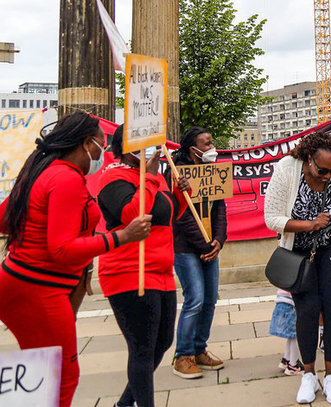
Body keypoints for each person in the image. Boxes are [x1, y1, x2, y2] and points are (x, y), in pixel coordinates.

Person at [0, 112, 151, 407]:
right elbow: (62, 250)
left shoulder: (41, 168)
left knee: (39, 375)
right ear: (86, 144)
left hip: (20, 284)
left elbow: (5, 220)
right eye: (101, 146)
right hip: (39, 291)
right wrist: (122, 236)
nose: (102, 154)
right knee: (62, 378)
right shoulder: (66, 178)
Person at [263, 130, 331, 405]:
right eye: (323, 170)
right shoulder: (287, 170)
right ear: (309, 159)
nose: (328, 176)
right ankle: (308, 374)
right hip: (298, 252)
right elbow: (272, 218)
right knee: (307, 311)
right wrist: (310, 224)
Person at [97, 126, 191, 407]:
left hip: (160, 273)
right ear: (127, 149)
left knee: (162, 342)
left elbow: (166, 216)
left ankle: (125, 403)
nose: (154, 151)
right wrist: (149, 177)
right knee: (141, 348)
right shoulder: (113, 177)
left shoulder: (155, 177)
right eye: (147, 144)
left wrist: (178, 194)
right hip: (129, 272)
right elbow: (133, 215)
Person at [169, 126, 228, 379]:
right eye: (206, 144)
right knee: (194, 300)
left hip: (209, 247)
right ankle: (183, 356)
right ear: (192, 148)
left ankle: (199, 349)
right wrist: (205, 246)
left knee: (210, 300)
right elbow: (179, 217)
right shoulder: (175, 174)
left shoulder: (213, 171)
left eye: (211, 143)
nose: (211, 148)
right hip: (186, 249)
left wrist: (218, 241)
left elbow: (220, 209)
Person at [271, 288, 304, 376]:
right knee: (296, 335)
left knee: (291, 336)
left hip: (282, 301)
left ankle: (286, 359)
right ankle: (293, 365)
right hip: (291, 304)